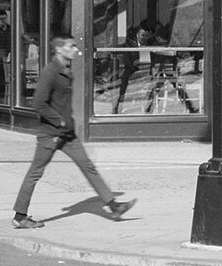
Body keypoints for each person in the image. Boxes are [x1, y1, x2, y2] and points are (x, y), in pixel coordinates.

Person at [12, 37, 133, 229]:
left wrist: (66, 122)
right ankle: (20, 216)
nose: (75, 49)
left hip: (67, 133)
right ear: (59, 49)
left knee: (88, 166)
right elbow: (38, 103)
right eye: (71, 46)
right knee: (35, 173)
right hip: (51, 133)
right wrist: (57, 120)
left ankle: (113, 206)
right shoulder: (50, 72)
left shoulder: (65, 70)